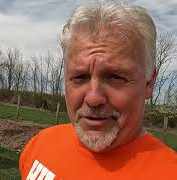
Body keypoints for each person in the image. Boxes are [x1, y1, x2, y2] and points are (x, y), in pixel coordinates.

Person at [19, 1, 177, 180]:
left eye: (116, 77)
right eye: (80, 77)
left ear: (149, 83)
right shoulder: (39, 146)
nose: (93, 98)